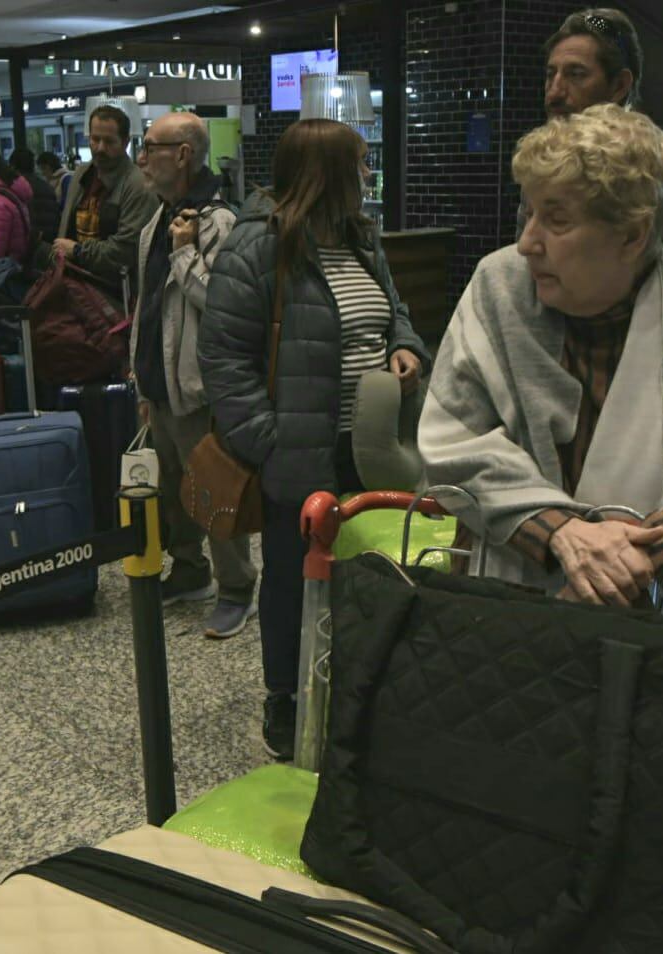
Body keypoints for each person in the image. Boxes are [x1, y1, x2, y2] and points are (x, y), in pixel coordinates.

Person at [420, 105, 663, 628]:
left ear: (633, 234)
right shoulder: (499, 285)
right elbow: (454, 441)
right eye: (530, 212)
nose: (527, 242)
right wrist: (563, 533)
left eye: (557, 220)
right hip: (510, 607)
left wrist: (626, 563)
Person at [199, 118, 431, 760]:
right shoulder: (259, 247)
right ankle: (287, 697)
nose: (367, 175)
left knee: (365, 573)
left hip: (373, 446)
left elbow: (395, 312)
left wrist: (406, 347)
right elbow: (223, 360)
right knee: (291, 583)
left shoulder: (361, 240)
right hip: (300, 453)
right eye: (358, 164)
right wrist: (270, 444)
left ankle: (354, 687)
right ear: (326, 172)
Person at [131, 112, 258, 640]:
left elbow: (221, 304)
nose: (142, 156)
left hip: (197, 384)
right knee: (169, 489)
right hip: (159, 381)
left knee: (211, 488)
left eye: (151, 146)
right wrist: (138, 377)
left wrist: (185, 252)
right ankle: (189, 571)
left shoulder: (218, 223)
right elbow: (147, 303)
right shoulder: (157, 218)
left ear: (182, 154)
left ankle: (237, 587)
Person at [519, 8, 663, 248]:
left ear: (619, 86)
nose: (554, 93)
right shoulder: (543, 174)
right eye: (551, 75)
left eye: (576, 74)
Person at [50, 105, 157, 295]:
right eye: (95, 139)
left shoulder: (138, 185)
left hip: (116, 294)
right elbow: (65, 229)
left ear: (125, 142)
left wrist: (77, 251)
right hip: (75, 286)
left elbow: (126, 251)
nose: (100, 148)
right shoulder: (82, 174)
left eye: (109, 141)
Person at [9, 146, 61, 245]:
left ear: (13, 166)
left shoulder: (14, 188)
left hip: (28, 244)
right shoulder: (47, 186)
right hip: (49, 243)